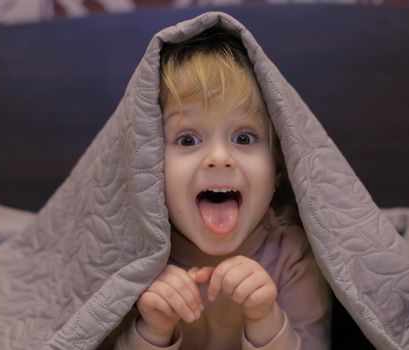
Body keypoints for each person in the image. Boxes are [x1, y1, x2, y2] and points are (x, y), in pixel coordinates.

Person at [114, 25, 331, 350]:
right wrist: (153, 331)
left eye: (244, 138)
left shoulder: (293, 256)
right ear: (147, 169)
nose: (218, 158)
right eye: (188, 139)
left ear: (278, 170)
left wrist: (266, 321)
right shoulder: (132, 259)